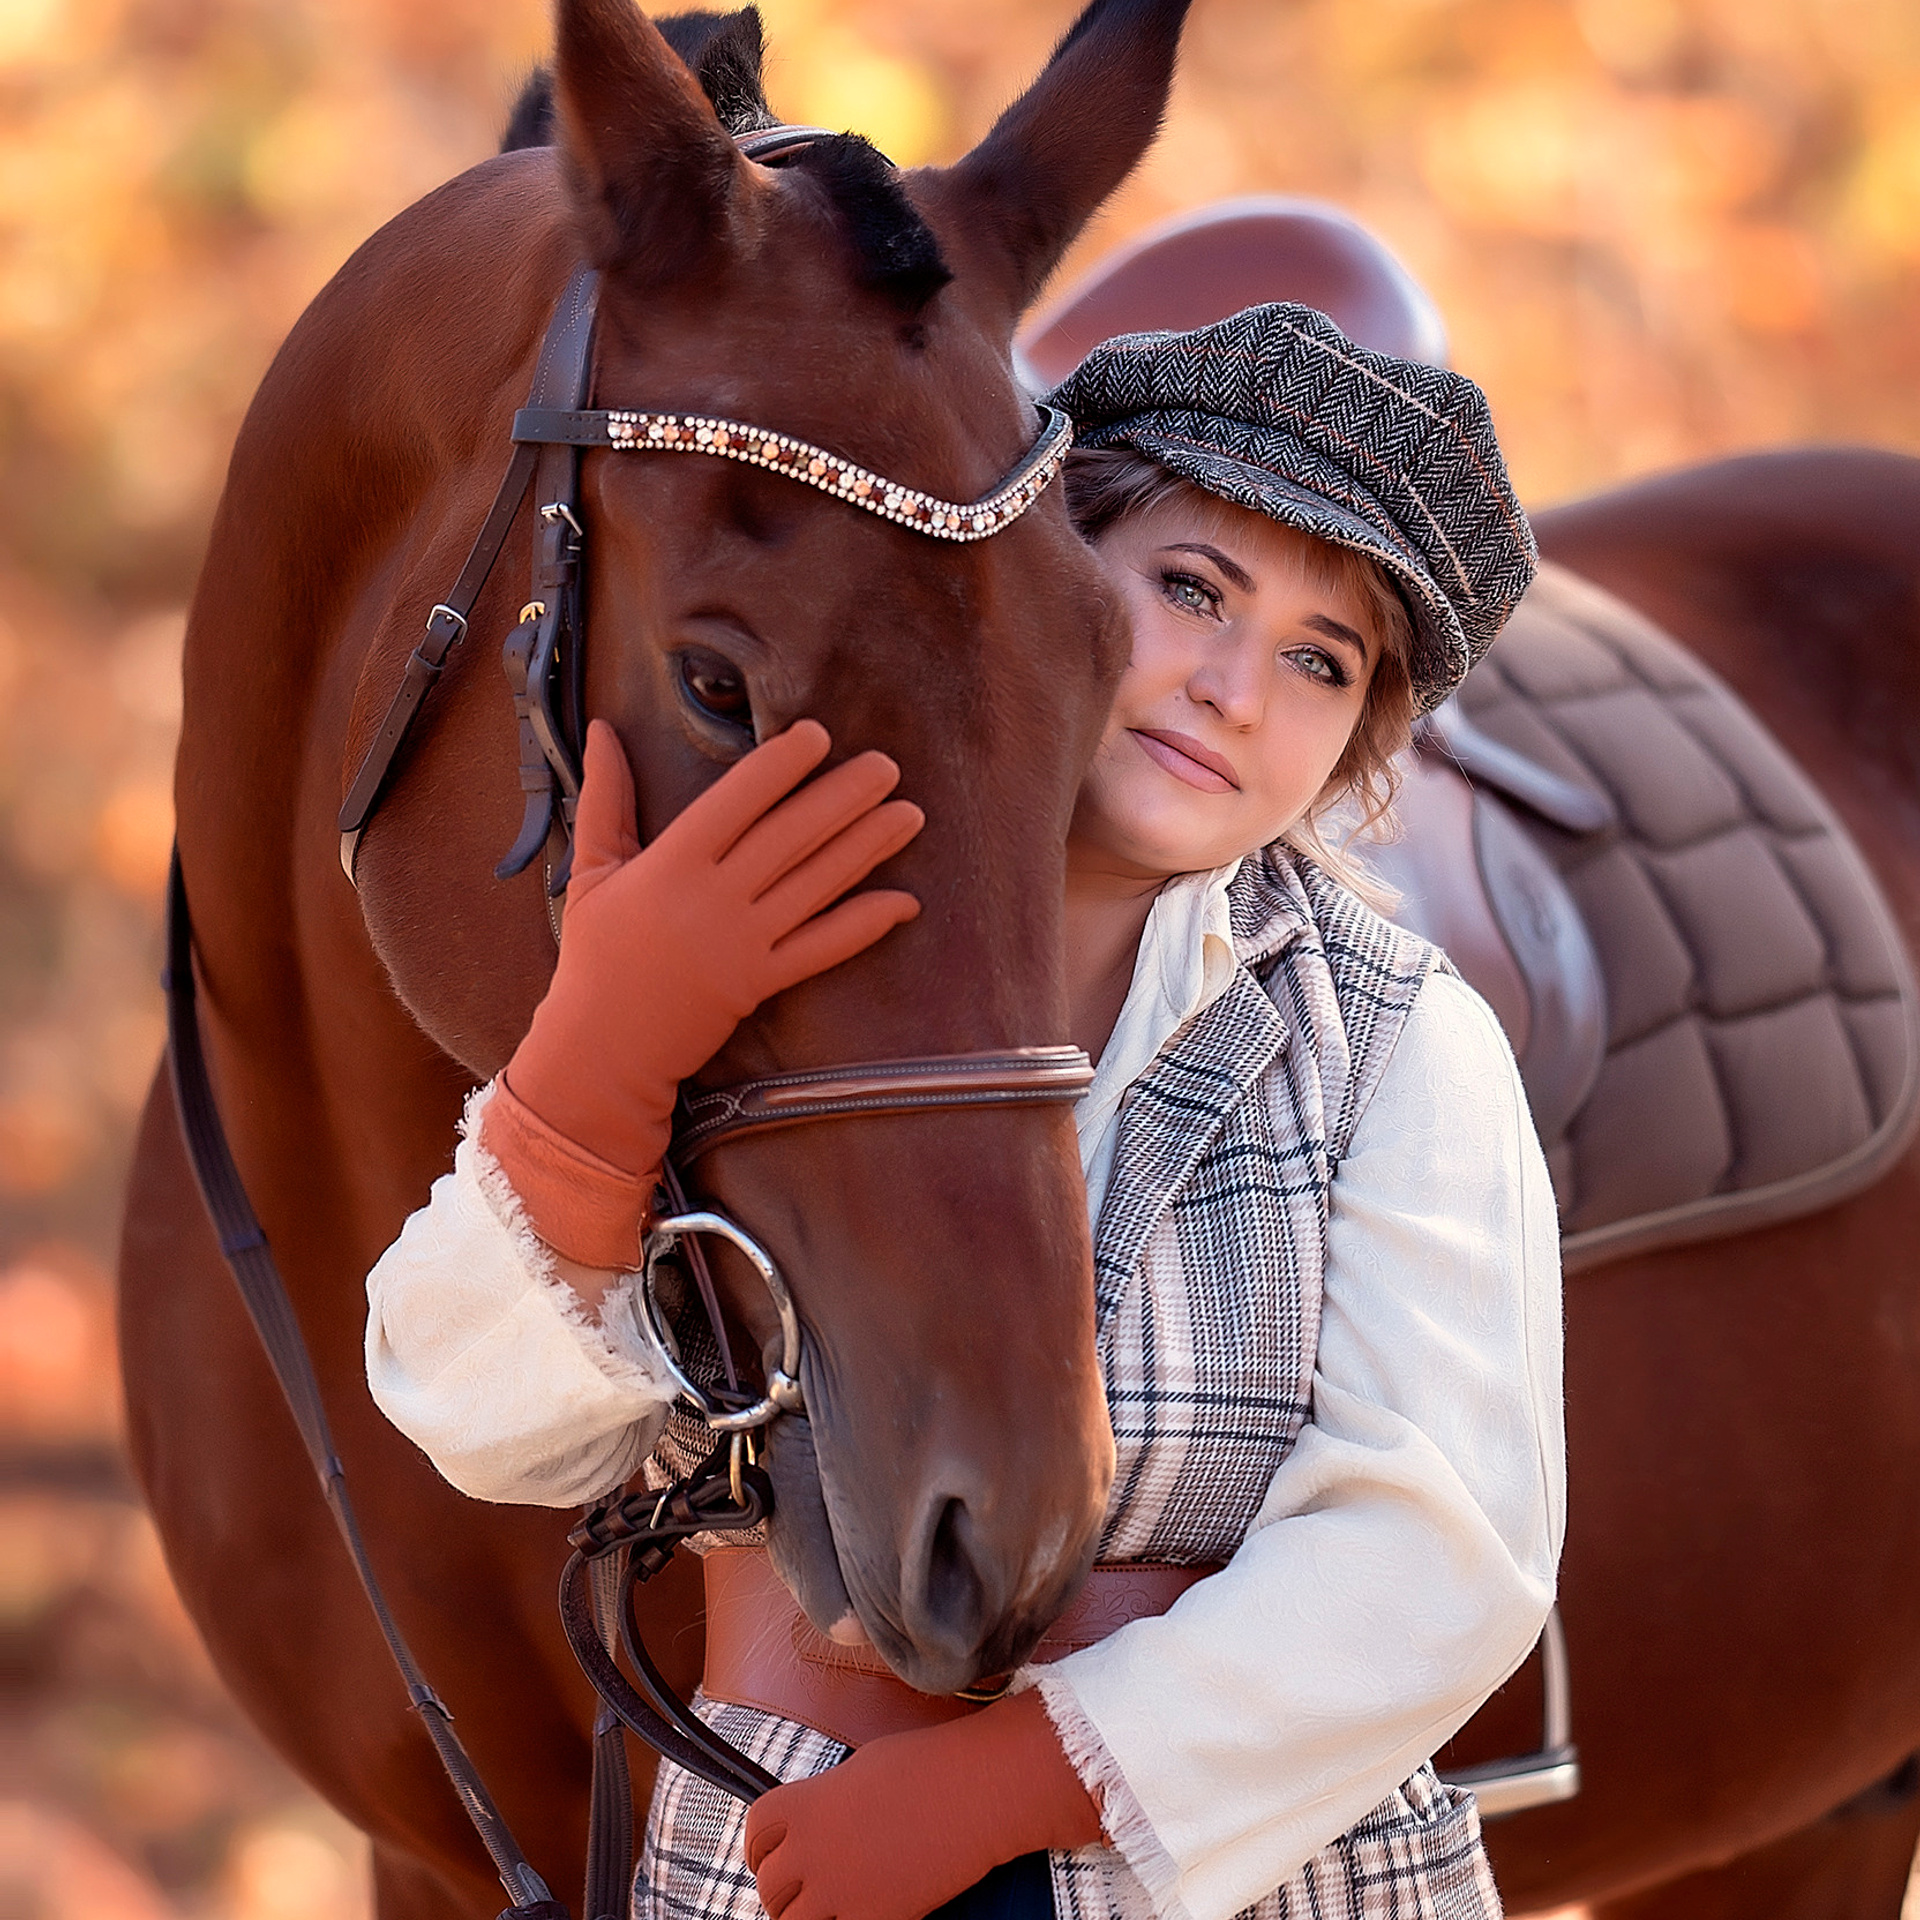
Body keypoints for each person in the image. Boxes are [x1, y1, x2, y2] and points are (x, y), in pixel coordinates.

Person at [365, 301, 1563, 1920]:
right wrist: (596, 1062)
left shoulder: (1398, 1045)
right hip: (789, 1850)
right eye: (1191, 590)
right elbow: (472, 1423)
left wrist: (1017, 1785)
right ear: (1047, 588)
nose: (1228, 688)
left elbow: (1443, 1561)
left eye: (1317, 660)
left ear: (1359, 733)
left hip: (1256, 1879)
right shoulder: (777, 944)